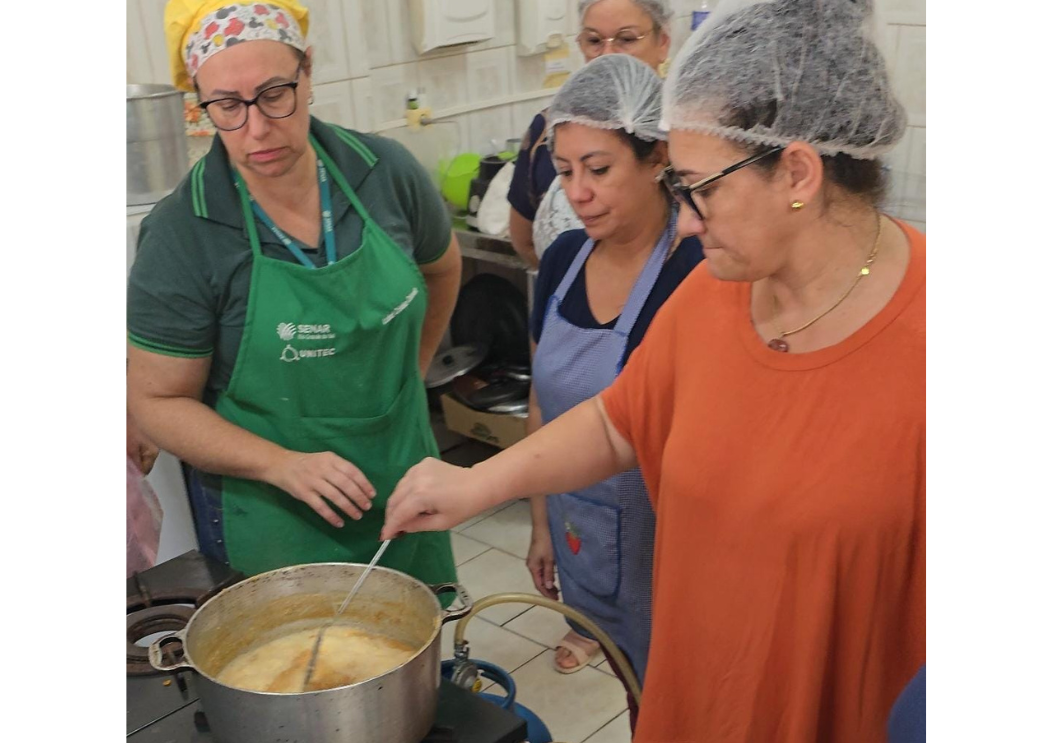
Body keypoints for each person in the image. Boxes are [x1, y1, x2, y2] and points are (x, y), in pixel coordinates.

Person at [384, 0, 925, 740]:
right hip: (699, 689)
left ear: (797, 170)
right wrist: (476, 483)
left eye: (701, 187)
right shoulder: (714, 295)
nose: (690, 220)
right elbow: (618, 418)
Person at [127, 0, 461, 588]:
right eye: (227, 106)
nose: (256, 129)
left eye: (274, 93)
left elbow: (441, 269)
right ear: (200, 105)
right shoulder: (184, 233)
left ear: (307, 72)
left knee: (420, 652)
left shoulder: (384, 173)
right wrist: (279, 464)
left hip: (404, 480)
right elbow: (157, 402)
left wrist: (411, 371)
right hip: (275, 516)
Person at [524, 54, 703, 697]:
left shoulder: (698, 274)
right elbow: (542, 400)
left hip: (675, 555)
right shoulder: (564, 260)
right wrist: (542, 522)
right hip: (584, 534)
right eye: (566, 171)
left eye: (598, 169)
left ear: (657, 158)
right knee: (634, 690)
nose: (577, 192)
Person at [507, 0, 673, 268]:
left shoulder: (691, 134)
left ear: (662, 42)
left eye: (626, 38)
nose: (607, 53)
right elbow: (523, 240)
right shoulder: (549, 129)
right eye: (594, 40)